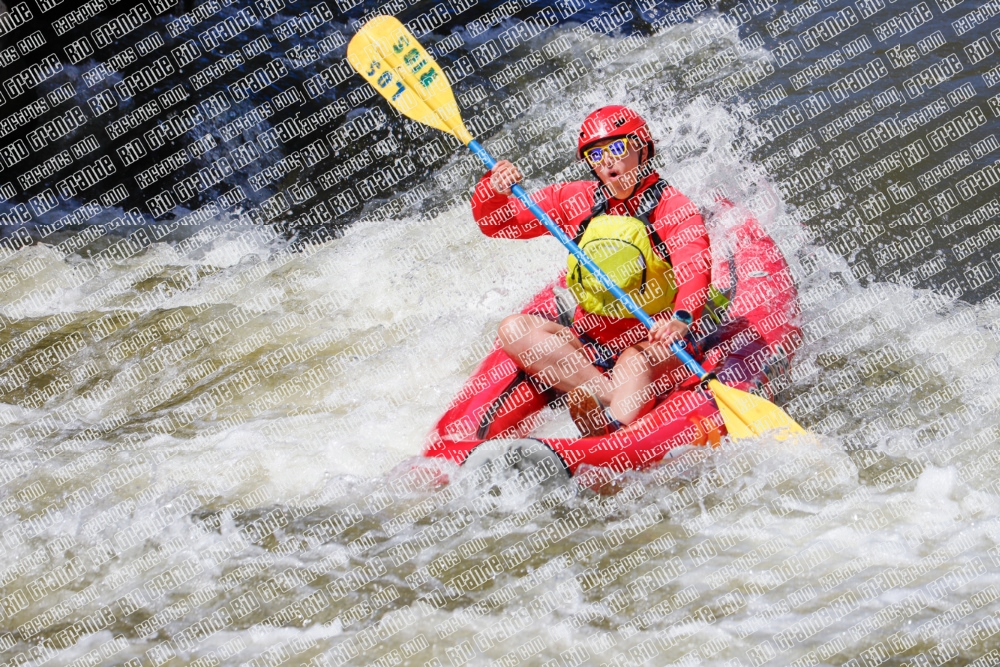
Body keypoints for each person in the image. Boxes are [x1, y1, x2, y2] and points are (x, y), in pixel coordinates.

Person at [471, 105, 712, 437]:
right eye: (596, 155)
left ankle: (610, 431)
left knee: (634, 362)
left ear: (642, 147)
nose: (607, 162)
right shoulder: (575, 200)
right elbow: (498, 224)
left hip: (655, 342)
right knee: (513, 329)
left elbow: (694, 268)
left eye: (616, 149)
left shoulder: (673, 207)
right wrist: (492, 189)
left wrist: (681, 319)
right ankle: (608, 396)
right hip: (591, 345)